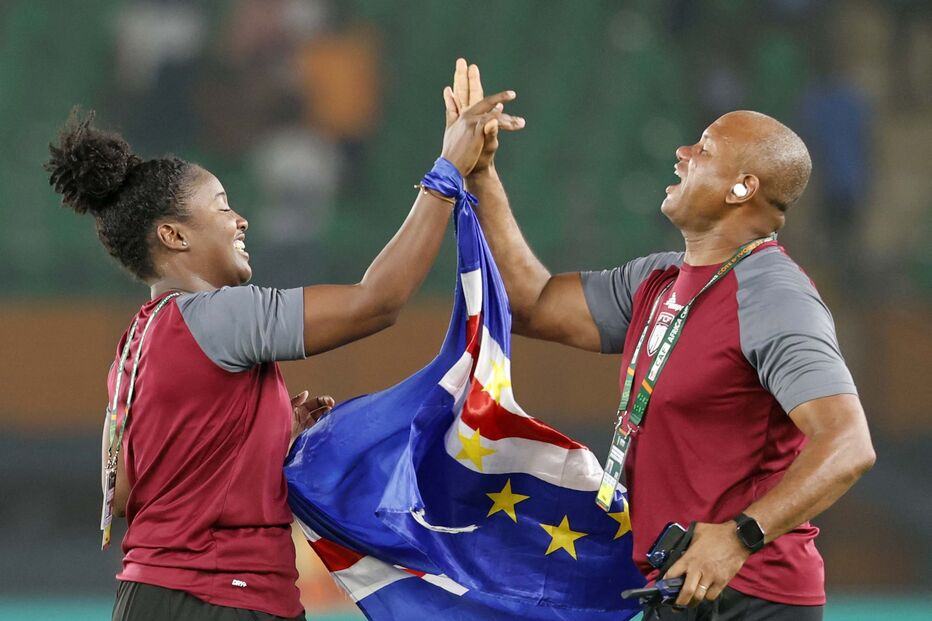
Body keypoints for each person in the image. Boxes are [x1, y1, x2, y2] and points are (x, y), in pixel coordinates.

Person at [45, 83, 523, 620]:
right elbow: (376, 303)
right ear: (174, 236)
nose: (240, 220)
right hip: (223, 597)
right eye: (223, 207)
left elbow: (122, 494)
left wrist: (266, 440)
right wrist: (446, 173)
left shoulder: (137, 341)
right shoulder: (220, 316)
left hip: (150, 598)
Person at [447, 60, 876, 620]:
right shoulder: (657, 281)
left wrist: (740, 536)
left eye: (705, 147)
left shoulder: (774, 295)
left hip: (751, 598)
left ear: (743, 187)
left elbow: (848, 444)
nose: (683, 153)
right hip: (674, 586)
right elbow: (532, 303)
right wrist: (481, 173)